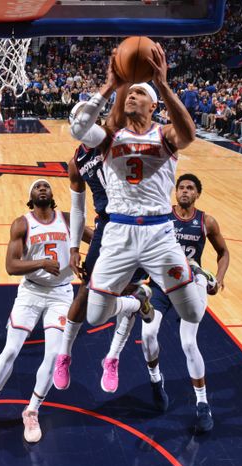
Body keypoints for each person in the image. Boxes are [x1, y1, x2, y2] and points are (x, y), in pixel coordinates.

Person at [67, 44, 212, 352]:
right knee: (94, 316)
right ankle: (136, 303)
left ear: (153, 105)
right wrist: (110, 85)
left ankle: (195, 273)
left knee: (194, 312)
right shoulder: (108, 138)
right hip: (118, 234)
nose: (131, 95)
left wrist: (163, 84)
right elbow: (78, 129)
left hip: (159, 234)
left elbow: (189, 135)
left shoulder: (165, 135)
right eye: (129, 92)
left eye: (140, 93)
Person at [0, 179, 91, 443]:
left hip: (61, 293)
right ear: (31, 196)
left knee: (53, 355)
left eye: (46, 186)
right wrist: (41, 263)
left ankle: (32, 410)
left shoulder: (69, 220)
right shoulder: (22, 224)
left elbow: (99, 240)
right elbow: (11, 266)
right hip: (31, 292)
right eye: (37, 187)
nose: (43, 188)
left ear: (52, 194)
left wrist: (95, 264)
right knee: (11, 350)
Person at [53, 114, 155, 393]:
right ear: (74, 127)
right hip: (107, 225)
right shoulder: (77, 162)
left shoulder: (112, 136)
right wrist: (74, 247)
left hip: (138, 220)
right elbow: (77, 208)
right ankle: (64, 355)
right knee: (87, 291)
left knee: (129, 288)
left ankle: (112, 358)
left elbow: (122, 110)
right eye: (79, 122)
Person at [140, 174, 229, 432]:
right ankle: (157, 382)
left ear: (197, 194)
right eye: (181, 188)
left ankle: (203, 405)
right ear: (175, 192)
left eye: (190, 188)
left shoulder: (207, 222)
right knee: (148, 334)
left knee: (189, 342)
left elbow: (223, 251)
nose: (185, 192)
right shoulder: (163, 216)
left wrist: (219, 278)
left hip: (190, 286)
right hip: (160, 285)